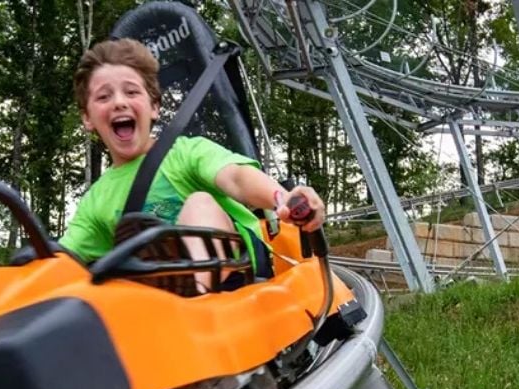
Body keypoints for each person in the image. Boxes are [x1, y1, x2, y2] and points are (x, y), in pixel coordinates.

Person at [59, 38, 325, 290]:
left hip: (235, 277)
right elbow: (62, 260)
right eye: (104, 97)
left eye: (131, 91)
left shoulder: (186, 152)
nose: (119, 102)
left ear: (154, 107)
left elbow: (236, 178)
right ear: (88, 118)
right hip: (150, 294)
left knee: (200, 202)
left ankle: (192, 293)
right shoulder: (95, 200)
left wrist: (281, 197)